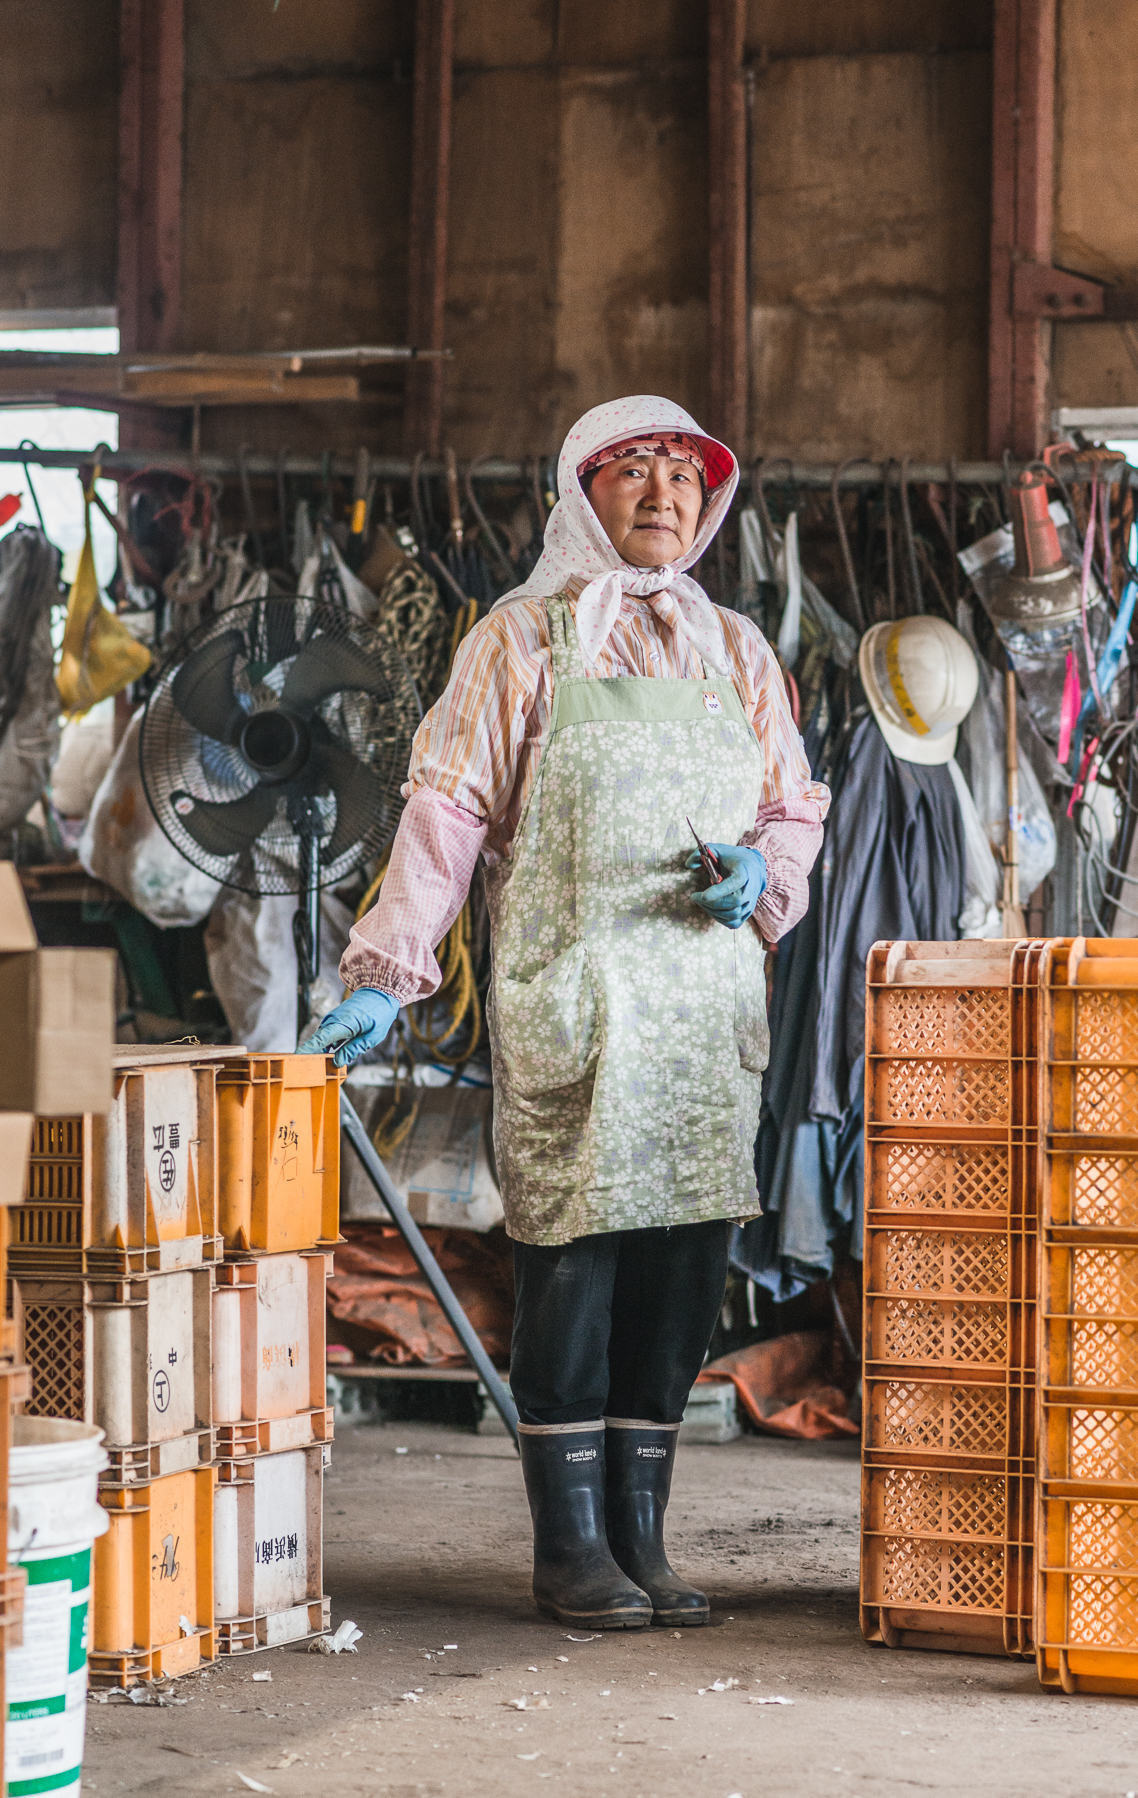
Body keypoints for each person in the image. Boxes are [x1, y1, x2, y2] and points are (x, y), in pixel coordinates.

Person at [303, 395, 830, 1630]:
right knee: (575, 1283)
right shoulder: (519, 640)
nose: (663, 494)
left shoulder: (736, 650)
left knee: (680, 1286)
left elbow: (792, 803)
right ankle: (571, 1548)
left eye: (684, 476)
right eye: (633, 470)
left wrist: (765, 869)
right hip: (580, 1018)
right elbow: (445, 814)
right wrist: (384, 974)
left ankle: (642, 1538)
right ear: (582, 493)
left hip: (701, 1028)